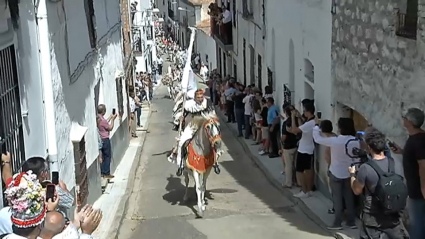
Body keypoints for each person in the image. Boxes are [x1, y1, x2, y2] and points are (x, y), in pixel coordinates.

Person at [349, 127, 409, 238]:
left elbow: (357, 190)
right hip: (393, 214)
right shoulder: (394, 162)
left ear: (369, 147)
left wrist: (352, 175)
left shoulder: (365, 168)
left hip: (373, 218)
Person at [313, 117, 358, 230]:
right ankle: (351, 221)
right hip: (349, 173)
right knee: (349, 197)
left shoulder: (335, 140)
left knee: (337, 198)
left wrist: (316, 126)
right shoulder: (355, 141)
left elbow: (317, 139)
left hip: (336, 172)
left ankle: (338, 222)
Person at [390, 107, 425, 239]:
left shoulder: (417, 141)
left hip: (418, 192)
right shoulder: (419, 138)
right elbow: (417, 157)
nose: (403, 119)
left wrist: (423, 188)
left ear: (409, 122)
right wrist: (402, 152)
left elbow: (423, 165)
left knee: (417, 226)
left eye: (405, 118)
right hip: (417, 190)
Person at [168, 89, 213, 171]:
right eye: (198, 97)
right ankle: (180, 162)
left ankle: (215, 161)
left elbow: (211, 113)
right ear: (195, 98)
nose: (200, 99)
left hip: (204, 125)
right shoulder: (188, 104)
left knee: (215, 139)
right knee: (181, 141)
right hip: (192, 125)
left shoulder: (206, 102)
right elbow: (181, 113)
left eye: (201, 97)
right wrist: (180, 118)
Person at [289, 103, 315, 198]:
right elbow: (303, 126)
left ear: (308, 112)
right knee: (308, 170)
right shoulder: (313, 121)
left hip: (304, 149)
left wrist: (293, 117)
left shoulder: (309, 124)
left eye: (304, 111)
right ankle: (309, 189)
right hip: (309, 148)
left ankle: (304, 190)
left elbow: (295, 130)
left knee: (299, 170)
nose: (303, 113)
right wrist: (299, 116)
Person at [97, 104, 117, 179]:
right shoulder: (102, 120)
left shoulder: (98, 118)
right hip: (105, 139)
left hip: (100, 140)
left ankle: (103, 172)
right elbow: (110, 127)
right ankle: (106, 173)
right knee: (107, 156)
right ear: (103, 111)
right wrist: (113, 120)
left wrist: (110, 117)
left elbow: (104, 122)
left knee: (103, 156)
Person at [281, 105, 299, 188]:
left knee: (288, 165)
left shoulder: (286, 123)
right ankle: (296, 181)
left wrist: (281, 142)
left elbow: (284, 137)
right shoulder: (297, 121)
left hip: (288, 147)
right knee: (295, 165)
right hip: (296, 145)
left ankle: (288, 183)